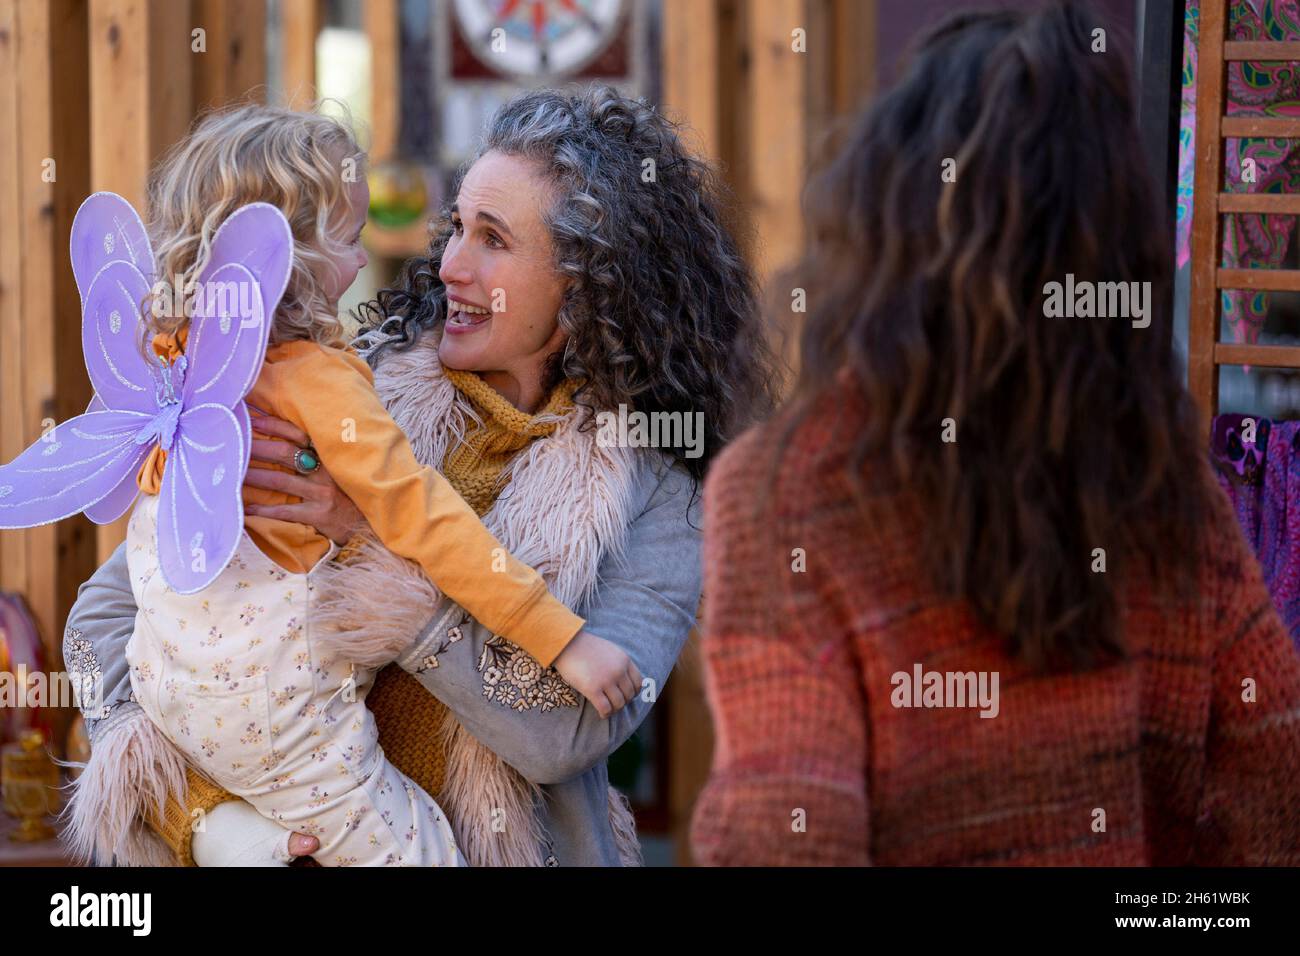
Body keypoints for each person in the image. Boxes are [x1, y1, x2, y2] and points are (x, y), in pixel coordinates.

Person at [64, 87, 783, 866]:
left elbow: (566, 731)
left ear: (591, 285)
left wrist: (379, 559)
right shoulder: (339, 396)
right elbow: (101, 622)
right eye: (456, 228)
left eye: (493, 240)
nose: (449, 265)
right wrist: (201, 821)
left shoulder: (661, 493)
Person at [691, 3, 1300, 866]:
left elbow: (787, 831)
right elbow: (1273, 779)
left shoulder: (787, 490)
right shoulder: (1159, 482)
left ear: (876, 223)